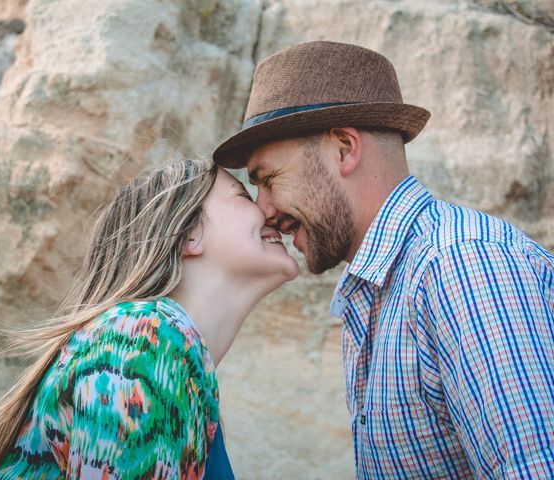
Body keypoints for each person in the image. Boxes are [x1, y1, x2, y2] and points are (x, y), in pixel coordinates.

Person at [213, 41, 554, 478]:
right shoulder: (384, 288)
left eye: (269, 179)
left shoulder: (461, 266)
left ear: (344, 149)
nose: (263, 209)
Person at [0, 159, 299, 479]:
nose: (267, 211)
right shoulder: (142, 337)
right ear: (189, 234)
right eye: (243, 195)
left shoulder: (164, 357)